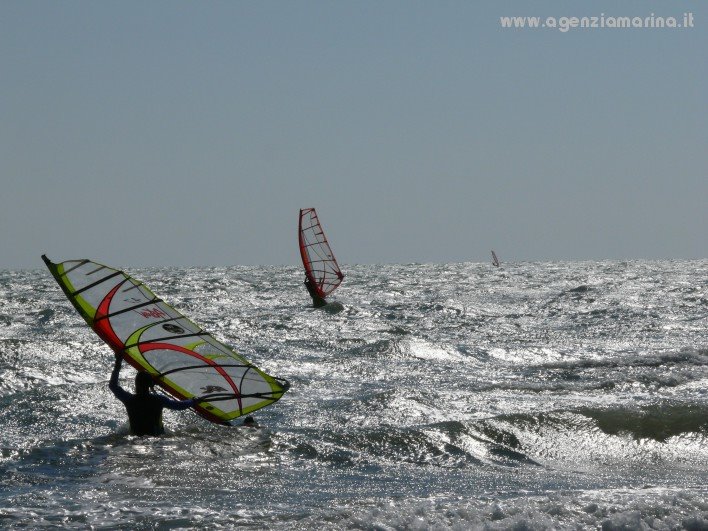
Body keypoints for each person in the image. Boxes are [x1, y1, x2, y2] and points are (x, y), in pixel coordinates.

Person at [109, 353, 200, 436]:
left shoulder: (129, 400)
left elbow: (113, 386)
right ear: (150, 385)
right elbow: (178, 406)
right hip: (157, 438)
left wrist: (118, 363)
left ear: (136, 384)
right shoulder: (159, 400)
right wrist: (193, 401)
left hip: (135, 437)